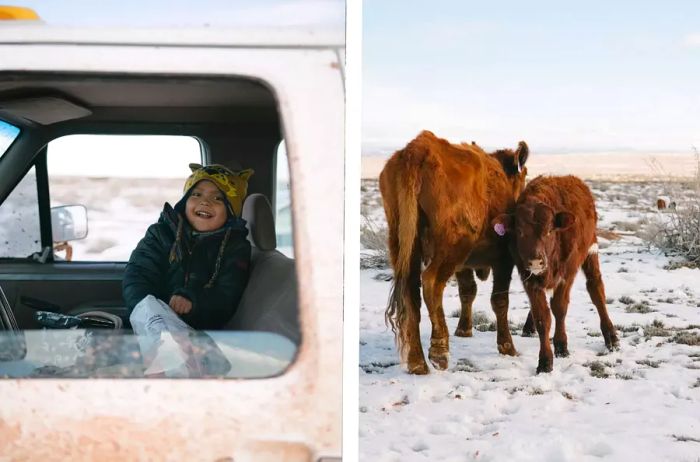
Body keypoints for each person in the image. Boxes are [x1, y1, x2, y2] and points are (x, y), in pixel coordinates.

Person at [123, 163, 254, 330]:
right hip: (150, 324)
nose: (205, 202)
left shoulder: (235, 248)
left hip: (201, 333)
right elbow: (138, 275)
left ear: (230, 212)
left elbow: (227, 295)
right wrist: (147, 309)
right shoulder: (160, 234)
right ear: (184, 202)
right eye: (197, 194)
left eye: (218, 198)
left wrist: (193, 301)